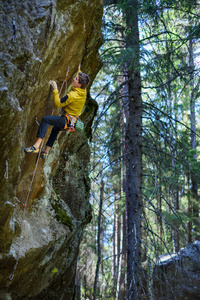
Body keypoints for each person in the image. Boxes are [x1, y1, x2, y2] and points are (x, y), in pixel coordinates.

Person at [24, 69, 90, 158]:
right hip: (72, 122)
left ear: (79, 85)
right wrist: (79, 70)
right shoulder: (83, 90)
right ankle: (45, 152)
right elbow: (81, 76)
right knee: (55, 129)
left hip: (66, 121)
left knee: (46, 120)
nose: (74, 78)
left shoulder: (72, 96)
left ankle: (36, 146)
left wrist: (55, 89)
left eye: (76, 79)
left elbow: (57, 104)